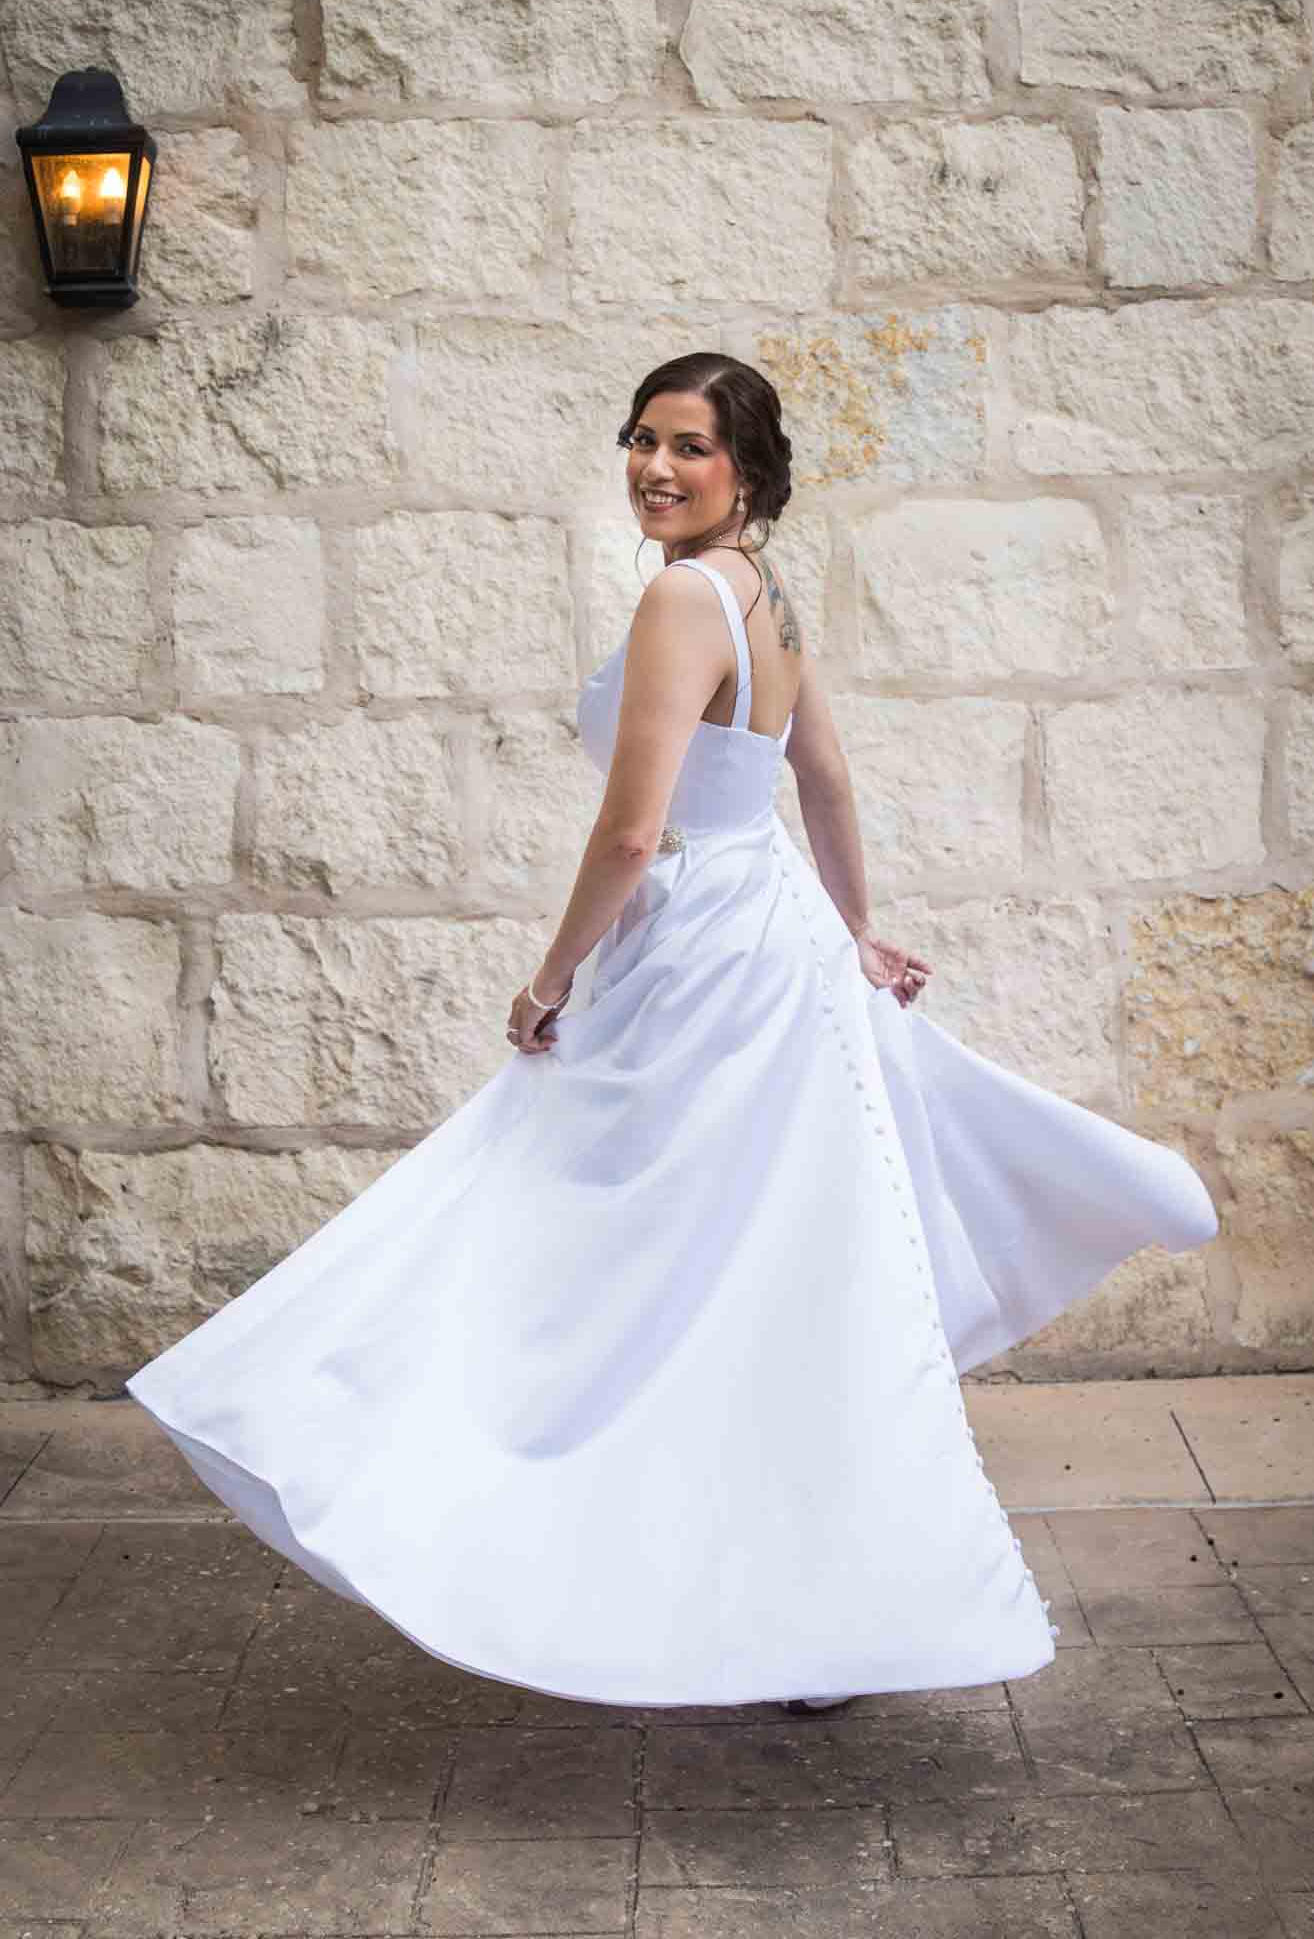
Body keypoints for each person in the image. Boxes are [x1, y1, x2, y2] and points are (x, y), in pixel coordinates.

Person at [126, 351, 1219, 1719]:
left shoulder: (675, 601)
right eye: (640, 439)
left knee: (573, 1237)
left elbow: (634, 832)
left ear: (745, 472)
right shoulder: (765, 595)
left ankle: (504, 1506)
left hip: (695, 955)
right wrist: (848, 931)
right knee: (759, 1270)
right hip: (773, 948)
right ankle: (799, 1599)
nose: (653, 465)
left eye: (688, 446)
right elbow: (814, 779)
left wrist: (547, 981)